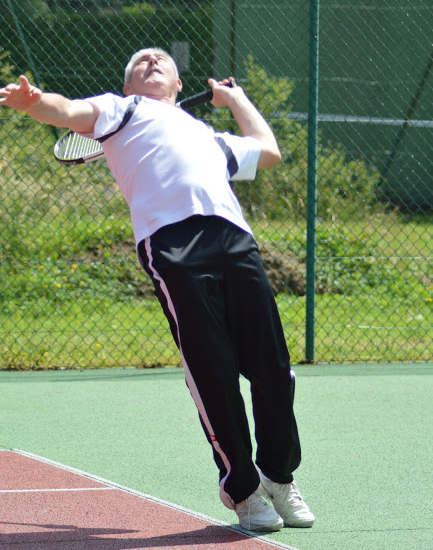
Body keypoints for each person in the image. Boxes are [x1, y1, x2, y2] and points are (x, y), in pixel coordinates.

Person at [0, 48, 315, 532]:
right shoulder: (120, 109)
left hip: (236, 240)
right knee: (212, 372)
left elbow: (267, 150)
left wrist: (235, 99)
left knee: (273, 369)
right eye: (141, 60)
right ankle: (244, 489)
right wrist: (35, 103)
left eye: (161, 58)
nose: (151, 59)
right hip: (172, 245)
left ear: (177, 82)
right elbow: (66, 111)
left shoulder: (206, 135)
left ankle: (278, 475)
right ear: (128, 84)